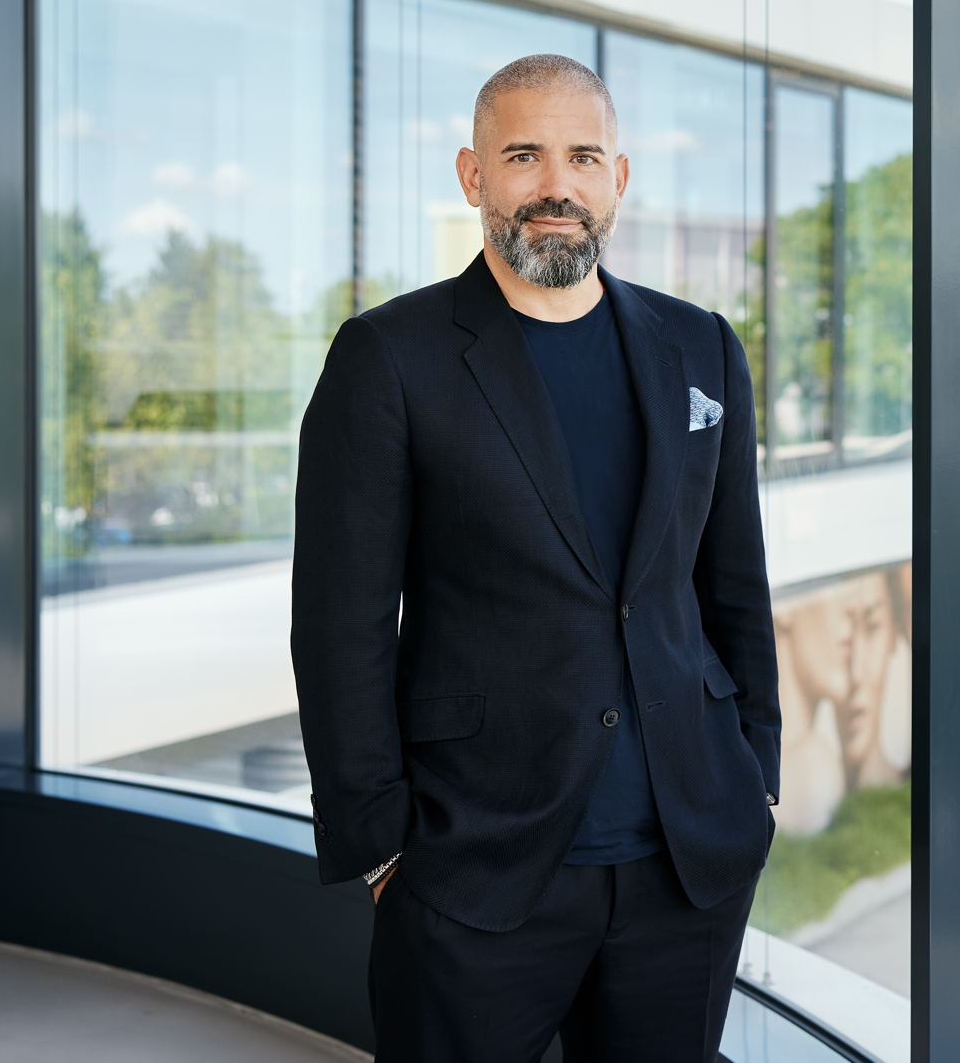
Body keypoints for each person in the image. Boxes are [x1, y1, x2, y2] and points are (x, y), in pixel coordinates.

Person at [291, 54, 780, 1062]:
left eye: (581, 156)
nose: (555, 184)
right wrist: (382, 839)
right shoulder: (388, 356)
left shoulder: (702, 346)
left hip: (684, 866)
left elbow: (732, 582)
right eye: (524, 155)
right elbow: (338, 622)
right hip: (474, 865)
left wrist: (756, 769)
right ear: (474, 176)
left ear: (617, 178)